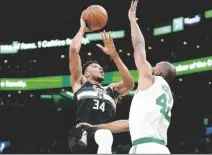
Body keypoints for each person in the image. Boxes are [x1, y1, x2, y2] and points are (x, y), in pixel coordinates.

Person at [76, 0, 176, 154]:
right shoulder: (166, 95)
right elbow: (130, 124)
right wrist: (95, 127)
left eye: (154, 66)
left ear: (158, 72)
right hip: (161, 148)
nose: (150, 67)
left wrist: (132, 20)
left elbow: (139, 46)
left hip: (145, 148)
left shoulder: (151, 79)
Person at [68, 11, 134, 154]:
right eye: (95, 67)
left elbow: (129, 84)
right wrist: (82, 29)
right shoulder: (80, 84)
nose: (100, 68)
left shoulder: (111, 90)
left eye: (100, 67)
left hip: (104, 133)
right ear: (86, 73)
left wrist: (114, 55)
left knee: (105, 135)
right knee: (105, 136)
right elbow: (73, 50)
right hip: (82, 133)